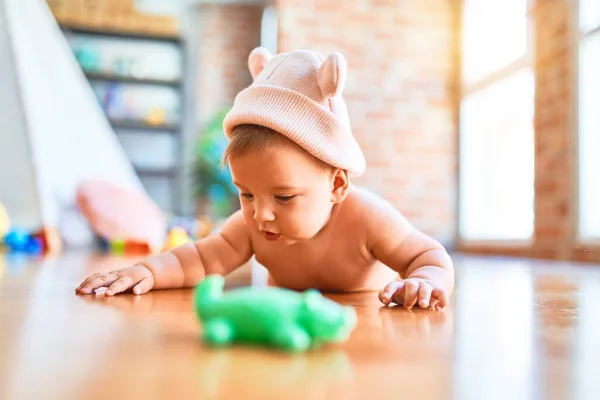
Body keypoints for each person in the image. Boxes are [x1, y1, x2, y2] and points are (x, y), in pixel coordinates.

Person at [76, 47, 454, 310]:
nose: (261, 215)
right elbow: (201, 259)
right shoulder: (252, 225)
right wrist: (146, 270)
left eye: (284, 197)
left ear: (337, 185)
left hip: (357, 329)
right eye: (247, 194)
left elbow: (428, 255)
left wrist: (425, 282)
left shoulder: (369, 219)